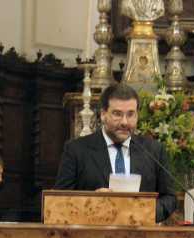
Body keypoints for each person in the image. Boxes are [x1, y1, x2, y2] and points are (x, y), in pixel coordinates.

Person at [55, 83, 176, 223]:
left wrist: (144, 212)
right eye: (117, 114)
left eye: (131, 114)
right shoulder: (76, 150)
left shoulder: (154, 150)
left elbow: (169, 198)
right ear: (103, 114)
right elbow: (59, 202)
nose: (124, 122)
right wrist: (91, 203)